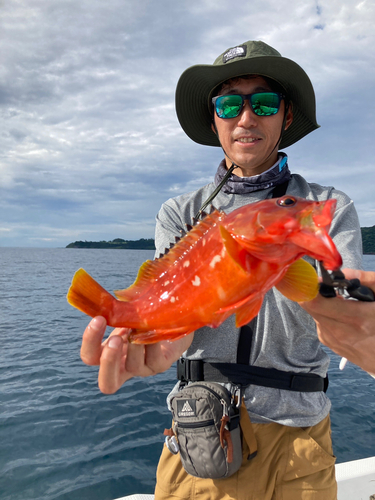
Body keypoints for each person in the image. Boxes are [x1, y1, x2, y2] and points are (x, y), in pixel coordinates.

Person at [79, 40, 372, 499]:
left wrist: (348, 309)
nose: (247, 117)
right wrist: (158, 333)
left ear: (286, 115)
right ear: (215, 118)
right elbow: (184, 302)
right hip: (199, 439)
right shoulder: (180, 212)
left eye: (265, 103)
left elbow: (350, 311)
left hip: (300, 443)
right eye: (230, 104)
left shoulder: (324, 209)